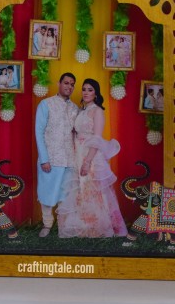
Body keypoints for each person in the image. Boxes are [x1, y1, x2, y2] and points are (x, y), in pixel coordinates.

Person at [57, 79, 128, 238]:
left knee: (93, 189)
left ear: (96, 93)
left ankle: (98, 227)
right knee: (80, 189)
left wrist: (88, 161)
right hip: (78, 153)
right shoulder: (82, 111)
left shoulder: (97, 111)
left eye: (90, 90)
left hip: (91, 155)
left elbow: (97, 138)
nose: (86, 92)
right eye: (84, 89)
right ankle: (84, 226)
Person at [34, 73, 79, 237]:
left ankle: (63, 227)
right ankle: (47, 224)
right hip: (51, 158)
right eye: (66, 83)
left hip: (70, 159)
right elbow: (39, 132)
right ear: (59, 83)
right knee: (47, 193)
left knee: (65, 195)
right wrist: (44, 159)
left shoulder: (75, 108)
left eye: (72, 84)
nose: (69, 86)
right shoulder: (46, 104)